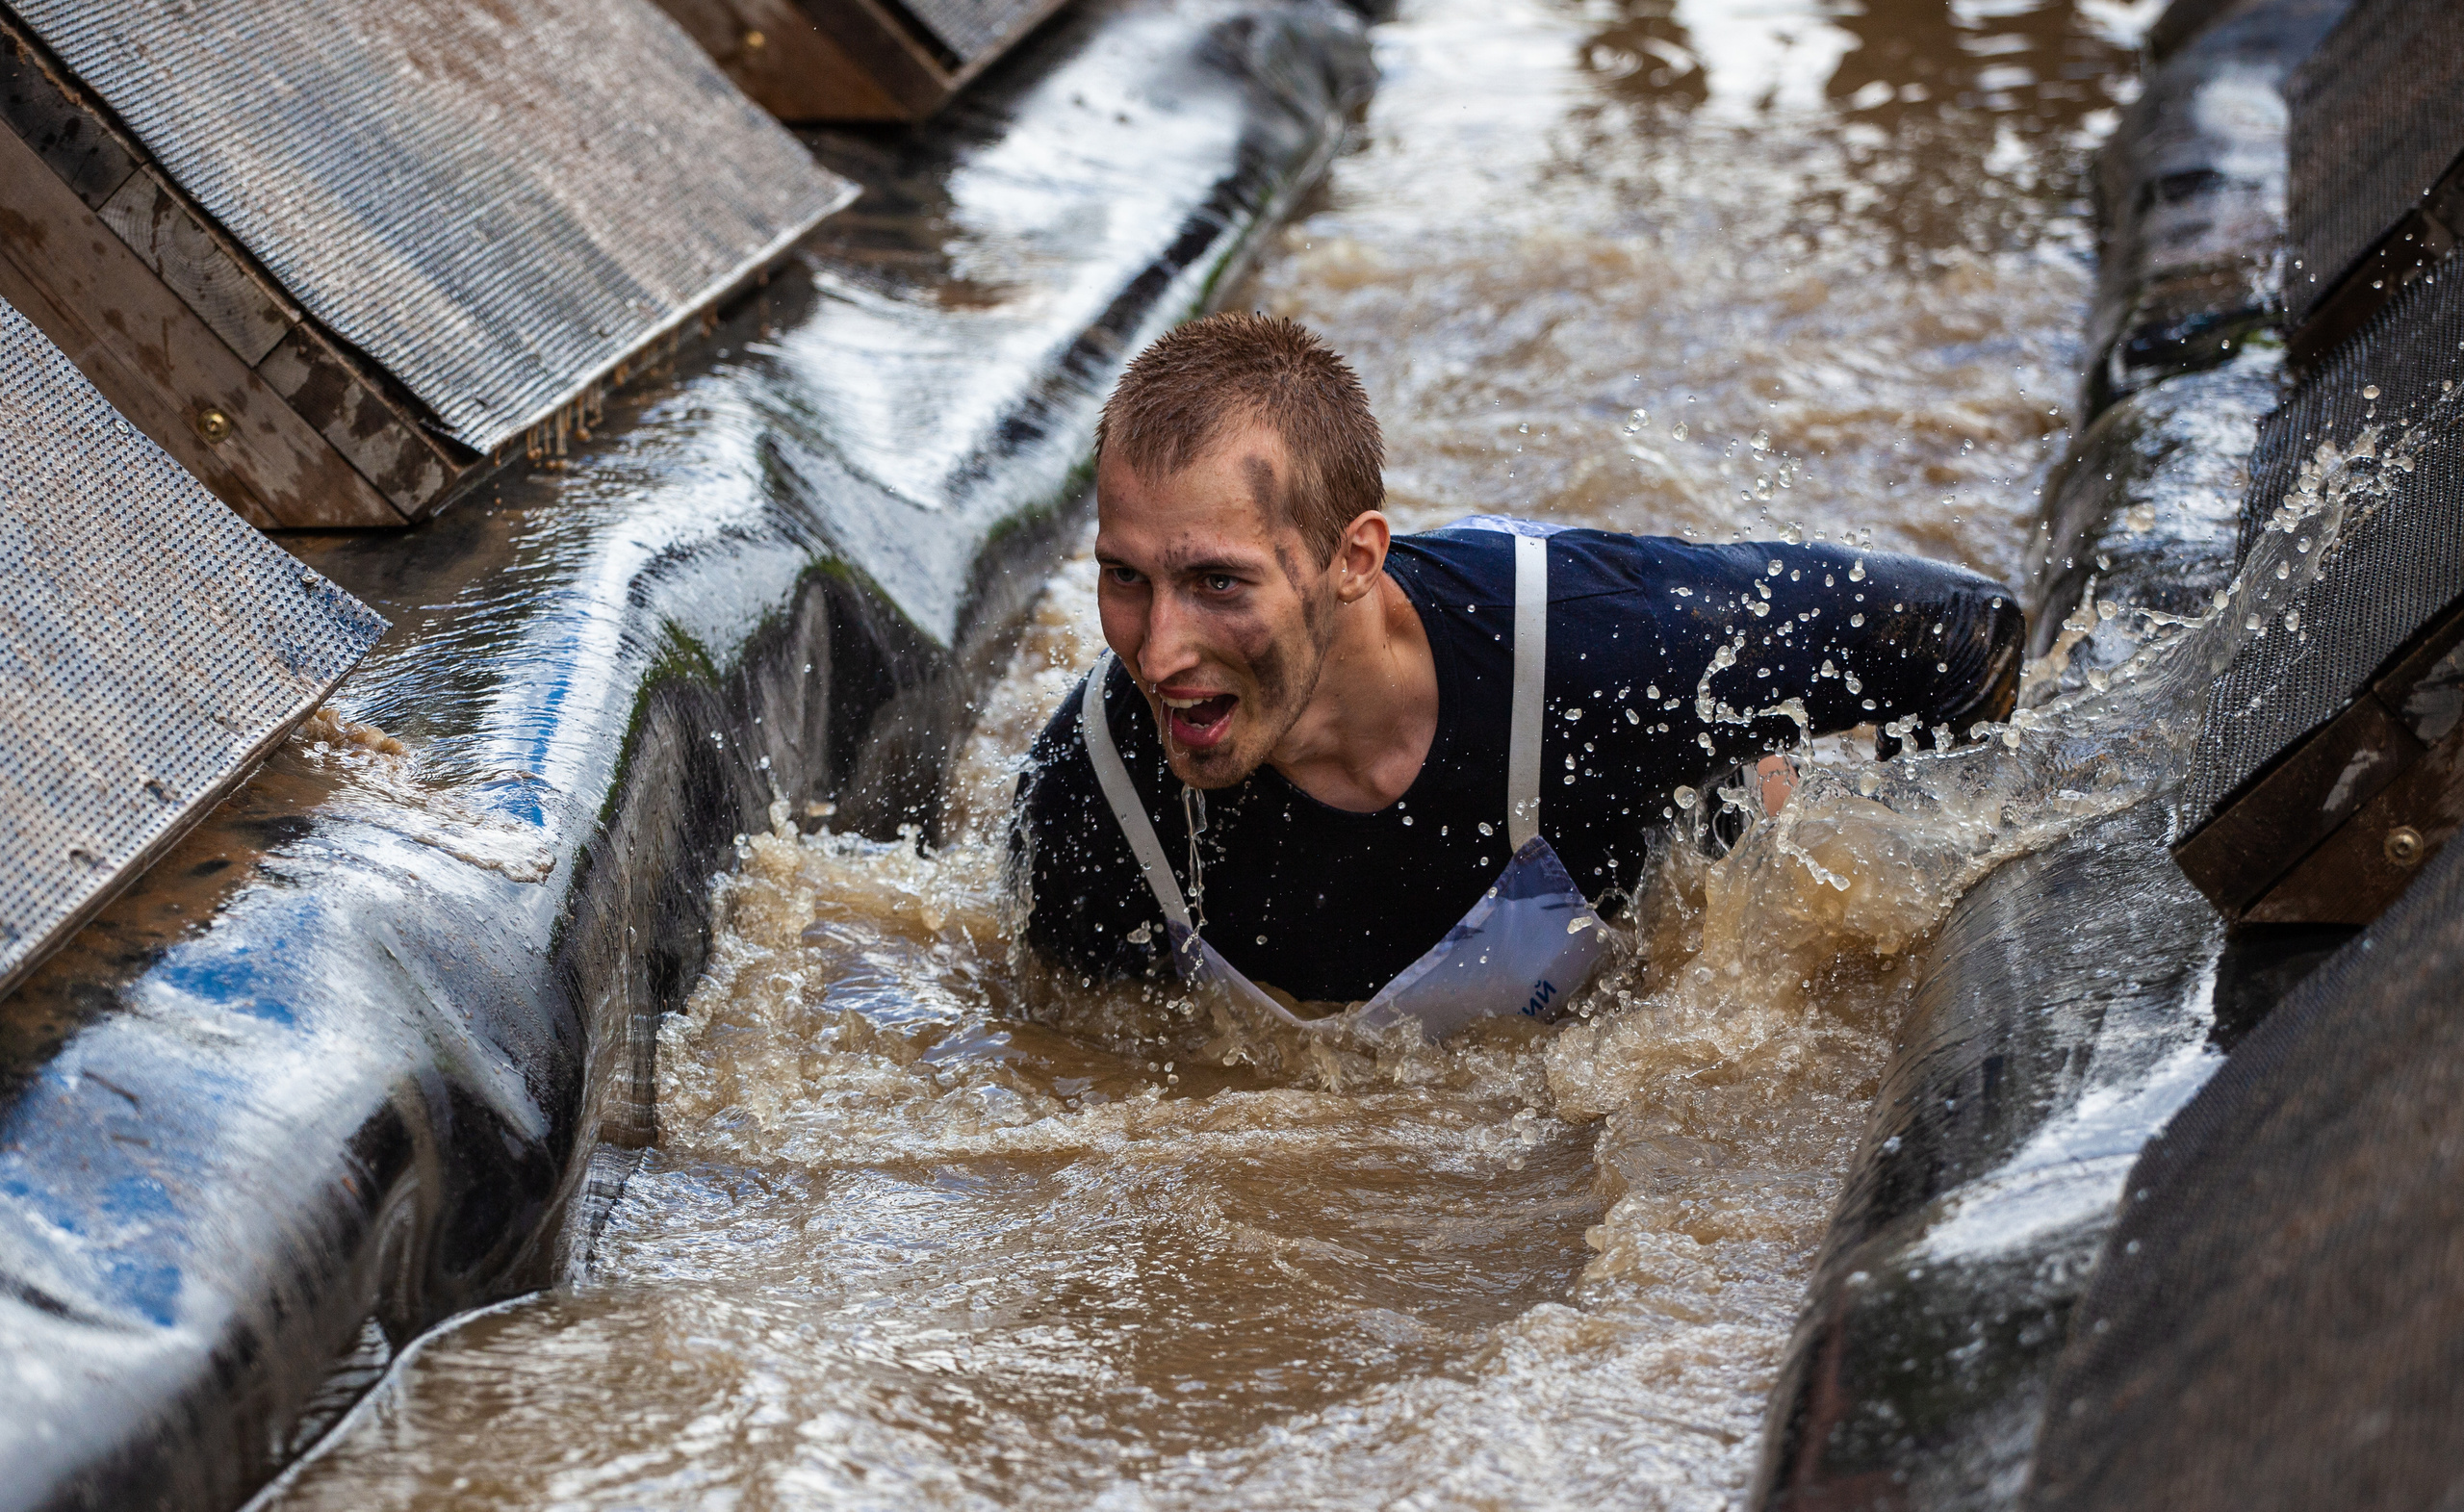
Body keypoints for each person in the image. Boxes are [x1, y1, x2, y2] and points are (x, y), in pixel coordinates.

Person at [1012, 313, 2021, 1037]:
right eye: (1125, 577)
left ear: (1354, 558)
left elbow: (1965, 634)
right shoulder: (1092, 796)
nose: (1158, 650)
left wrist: (1901, 924)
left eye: (1216, 581)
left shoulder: (1606, 648)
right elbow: (1064, 1050)